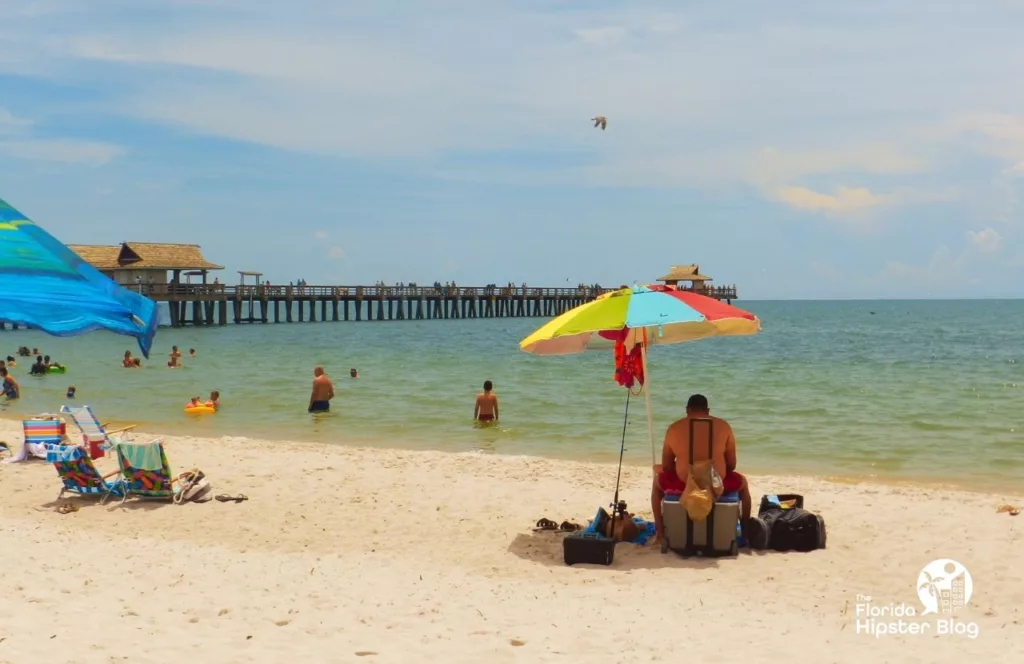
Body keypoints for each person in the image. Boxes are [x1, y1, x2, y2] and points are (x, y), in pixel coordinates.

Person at [650, 394, 752, 541]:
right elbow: (731, 464)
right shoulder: (724, 426)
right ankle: (745, 530)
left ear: (687, 409)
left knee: (657, 483)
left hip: (685, 483)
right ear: (707, 410)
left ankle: (659, 531)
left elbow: (666, 466)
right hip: (717, 484)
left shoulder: (674, 428)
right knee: (743, 484)